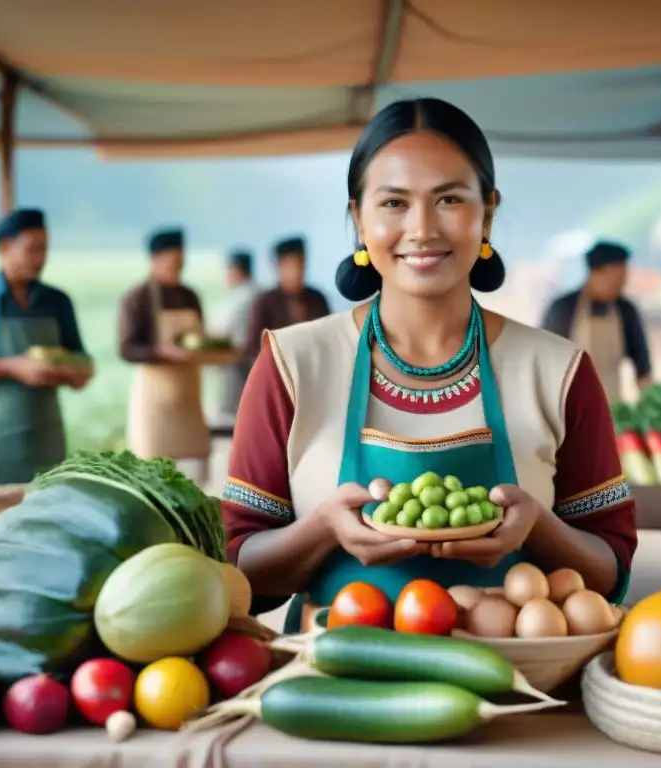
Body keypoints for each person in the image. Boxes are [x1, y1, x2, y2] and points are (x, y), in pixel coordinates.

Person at [222, 98, 637, 633]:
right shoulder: (293, 363)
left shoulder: (558, 372)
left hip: (519, 692)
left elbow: (614, 571)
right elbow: (237, 571)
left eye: (448, 199)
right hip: (337, 691)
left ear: (487, 211)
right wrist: (323, 528)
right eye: (394, 203)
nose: (421, 229)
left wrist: (538, 526)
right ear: (358, 217)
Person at [0, 208, 92, 485]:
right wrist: (14, 367)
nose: (40, 258)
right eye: (32, 249)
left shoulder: (58, 301)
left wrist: (76, 371)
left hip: (46, 434)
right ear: (4, 247)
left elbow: (81, 355)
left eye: (45, 248)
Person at [118, 227, 211, 483]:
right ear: (155, 259)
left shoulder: (190, 296)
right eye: (172, 262)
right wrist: (160, 352)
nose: (177, 269)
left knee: (193, 478)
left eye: (181, 263)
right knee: (153, 477)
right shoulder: (137, 298)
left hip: (189, 400)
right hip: (154, 404)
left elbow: (199, 338)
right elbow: (126, 349)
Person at [540, 241, 652, 402]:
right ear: (595, 273)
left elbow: (643, 368)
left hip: (612, 409)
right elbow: (543, 364)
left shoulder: (625, 310)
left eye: (623, 281)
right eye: (617, 281)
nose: (622, 286)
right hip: (569, 410)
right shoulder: (563, 309)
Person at [242, 236, 331, 364]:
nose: (297, 271)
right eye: (291, 264)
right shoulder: (265, 301)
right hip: (276, 370)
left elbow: (329, 338)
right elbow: (254, 348)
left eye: (301, 264)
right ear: (279, 266)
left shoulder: (317, 298)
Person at [216, 249, 259, 419]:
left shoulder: (240, 298)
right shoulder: (259, 293)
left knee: (235, 416)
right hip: (252, 363)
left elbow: (220, 330)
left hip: (238, 363)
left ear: (235, 271)